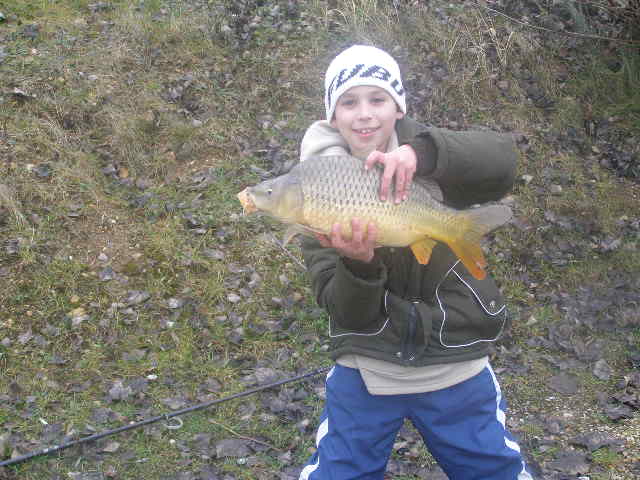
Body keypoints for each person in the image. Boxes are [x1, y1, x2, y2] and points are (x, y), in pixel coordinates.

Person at [297, 45, 533, 480]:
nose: (364, 114)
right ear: (332, 115)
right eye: (348, 102)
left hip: (455, 358)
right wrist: (359, 263)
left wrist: (421, 155)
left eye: (377, 99)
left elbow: (503, 160)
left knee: (493, 471)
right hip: (367, 365)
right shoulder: (315, 189)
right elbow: (346, 311)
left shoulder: (428, 155)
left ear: (399, 106)